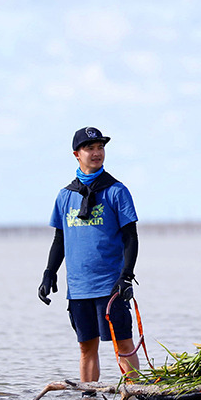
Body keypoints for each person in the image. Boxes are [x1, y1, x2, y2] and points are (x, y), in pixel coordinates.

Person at [37, 127, 141, 382]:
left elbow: (130, 237)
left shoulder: (116, 191)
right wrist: (49, 273)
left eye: (100, 148)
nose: (97, 153)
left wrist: (126, 276)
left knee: (123, 345)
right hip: (79, 288)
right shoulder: (65, 195)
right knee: (86, 348)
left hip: (110, 285)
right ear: (77, 154)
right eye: (90, 148)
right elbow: (60, 239)